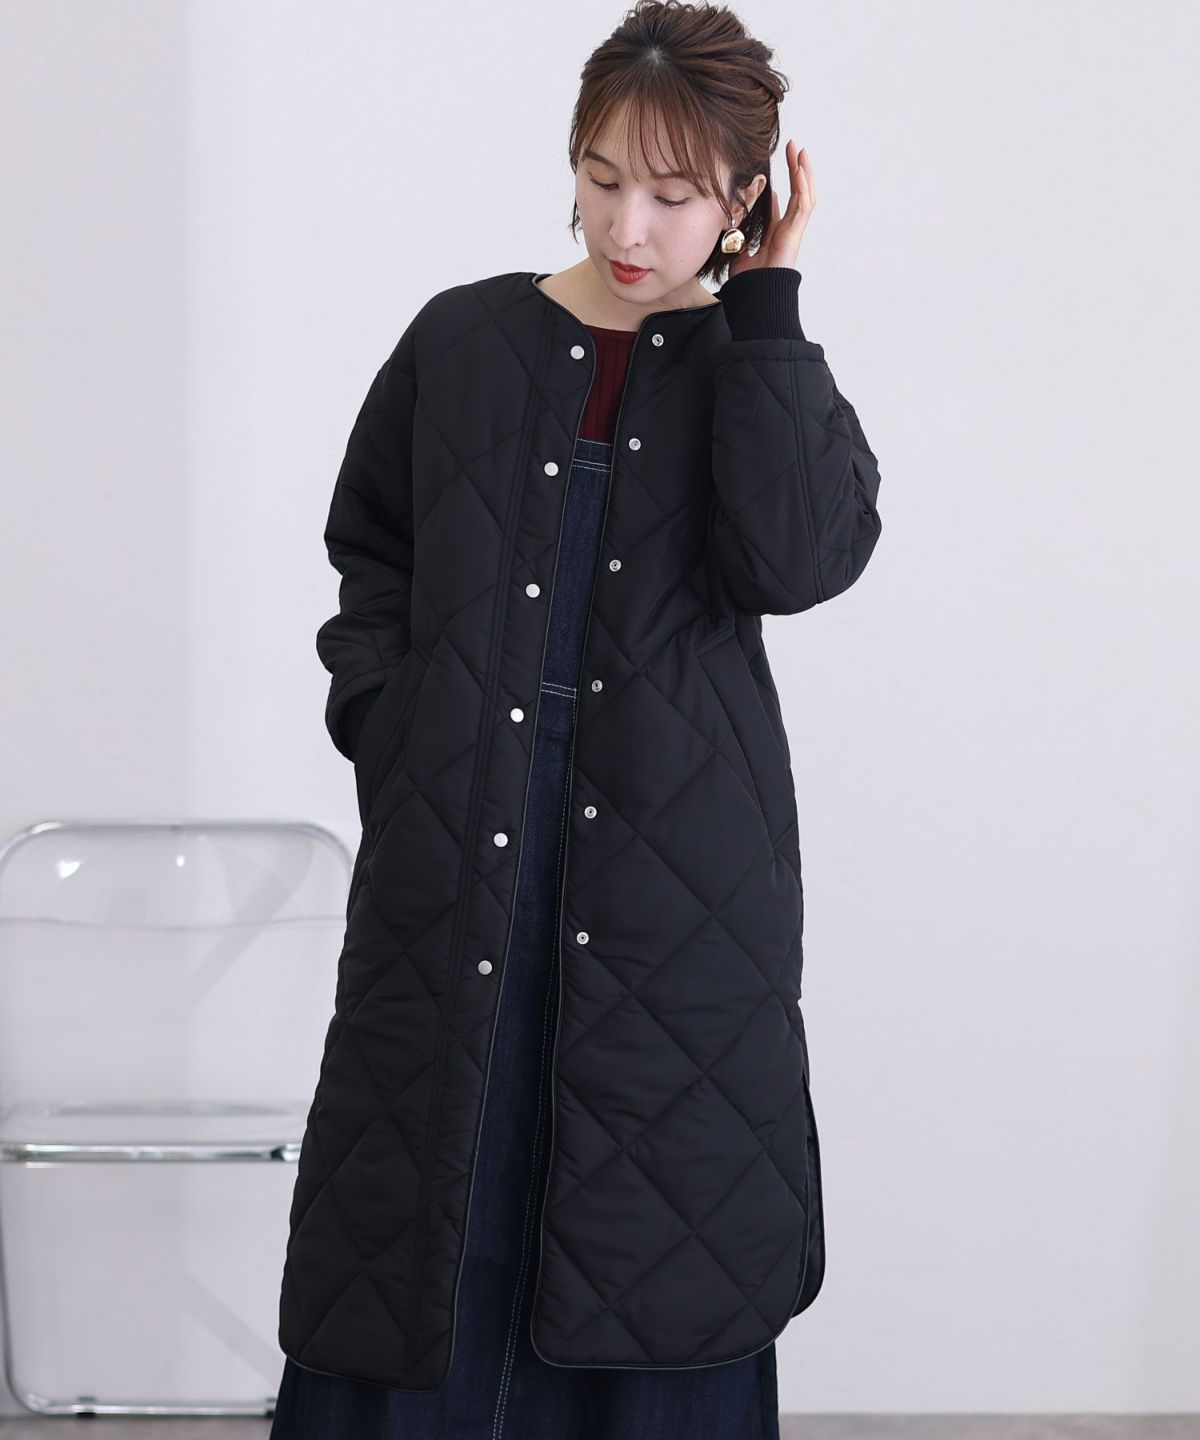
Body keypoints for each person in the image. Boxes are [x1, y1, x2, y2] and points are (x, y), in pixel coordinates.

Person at [269, 2, 882, 1436]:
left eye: (673, 195)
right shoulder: (464, 339)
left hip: (680, 877)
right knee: (424, 1197)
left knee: (656, 1208)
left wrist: (769, 311)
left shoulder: (752, 362)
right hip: (456, 841)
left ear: (746, 196)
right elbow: (372, 550)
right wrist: (389, 721)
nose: (629, 225)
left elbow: (798, 562)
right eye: (603, 178)